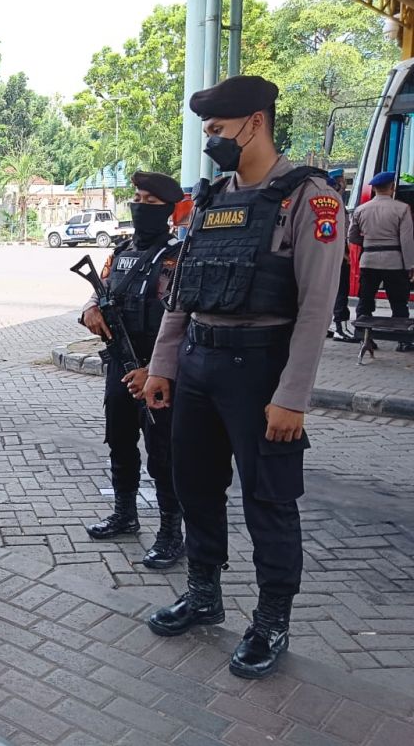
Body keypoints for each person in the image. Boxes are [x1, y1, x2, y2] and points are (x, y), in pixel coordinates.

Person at [141, 75, 342, 679]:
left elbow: (316, 307)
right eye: (208, 130)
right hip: (198, 366)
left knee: (269, 500)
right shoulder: (210, 199)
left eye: (218, 129)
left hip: (261, 372)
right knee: (196, 485)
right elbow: (184, 291)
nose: (211, 141)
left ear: (255, 123)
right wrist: (163, 364)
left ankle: (271, 620)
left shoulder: (308, 197)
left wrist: (293, 396)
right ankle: (204, 594)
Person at [80, 171, 185, 570]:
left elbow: (184, 318)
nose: (140, 206)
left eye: (150, 203)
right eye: (137, 198)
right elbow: (101, 290)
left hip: (160, 372)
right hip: (120, 367)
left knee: (163, 453)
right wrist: (89, 309)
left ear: (168, 211)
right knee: (120, 441)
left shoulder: (179, 256)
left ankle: (171, 534)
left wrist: (154, 369)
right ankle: (125, 514)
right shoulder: (121, 252)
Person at [347, 171, 414, 351]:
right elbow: (407, 240)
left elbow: (352, 236)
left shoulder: (361, 209)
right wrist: (410, 265)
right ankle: (403, 340)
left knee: (365, 300)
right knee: (398, 302)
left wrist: (369, 244)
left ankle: (363, 338)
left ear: (374, 188)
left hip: (368, 261)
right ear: (392, 187)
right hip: (394, 262)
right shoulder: (402, 208)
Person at [327, 169, 357, 342]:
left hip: (329, 252)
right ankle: (340, 328)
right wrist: (342, 253)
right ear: (338, 184)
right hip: (337, 252)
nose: (345, 184)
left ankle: (326, 327)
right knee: (340, 291)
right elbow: (333, 232)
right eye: (343, 181)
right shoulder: (335, 204)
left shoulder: (330, 202)